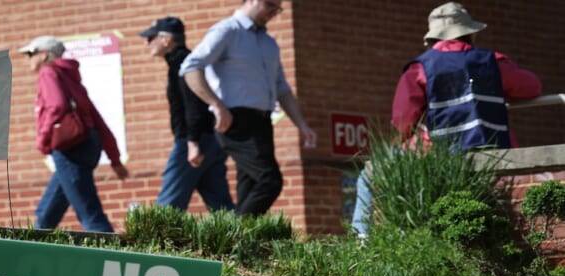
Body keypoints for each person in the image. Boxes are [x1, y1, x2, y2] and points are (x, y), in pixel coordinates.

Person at [350, 2, 542, 238]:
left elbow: (403, 120)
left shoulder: (420, 68)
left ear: (432, 39)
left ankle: (362, 239)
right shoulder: (493, 62)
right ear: (470, 34)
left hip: (435, 153)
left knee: (369, 174)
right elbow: (532, 86)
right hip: (495, 150)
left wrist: (394, 144)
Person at [179, 0, 317, 217]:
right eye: (271, 5)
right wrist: (217, 105)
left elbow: (282, 88)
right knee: (269, 180)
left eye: (278, 9)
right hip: (235, 121)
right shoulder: (227, 31)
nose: (274, 12)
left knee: (251, 187)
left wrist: (302, 125)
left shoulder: (268, 43)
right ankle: (234, 235)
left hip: (262, 122)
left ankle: (241, 244)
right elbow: (191, 67)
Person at [19, 35, 129, 232]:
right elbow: (97, 120)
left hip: (70, 149)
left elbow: (57, 106)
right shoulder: (70, 78)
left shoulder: (48, 72)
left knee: (89, 213)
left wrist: (43, 140)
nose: (28, 59)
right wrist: (115, 159)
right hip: (88, 145)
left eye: (30, 54)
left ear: (44, 55)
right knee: (48, 210)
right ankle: (32, 244)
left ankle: (112, 252)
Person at [139, 17, 235, 212]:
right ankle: (242, 240)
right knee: (221, 207)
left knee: (168, 207)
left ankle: (157, 241)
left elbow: (193, 106)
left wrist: (192, 142)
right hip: (211, 140)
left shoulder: (182, 64)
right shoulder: (186, 61)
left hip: (194, 141)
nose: (147, 43)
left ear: (166, 40)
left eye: (151, 38)